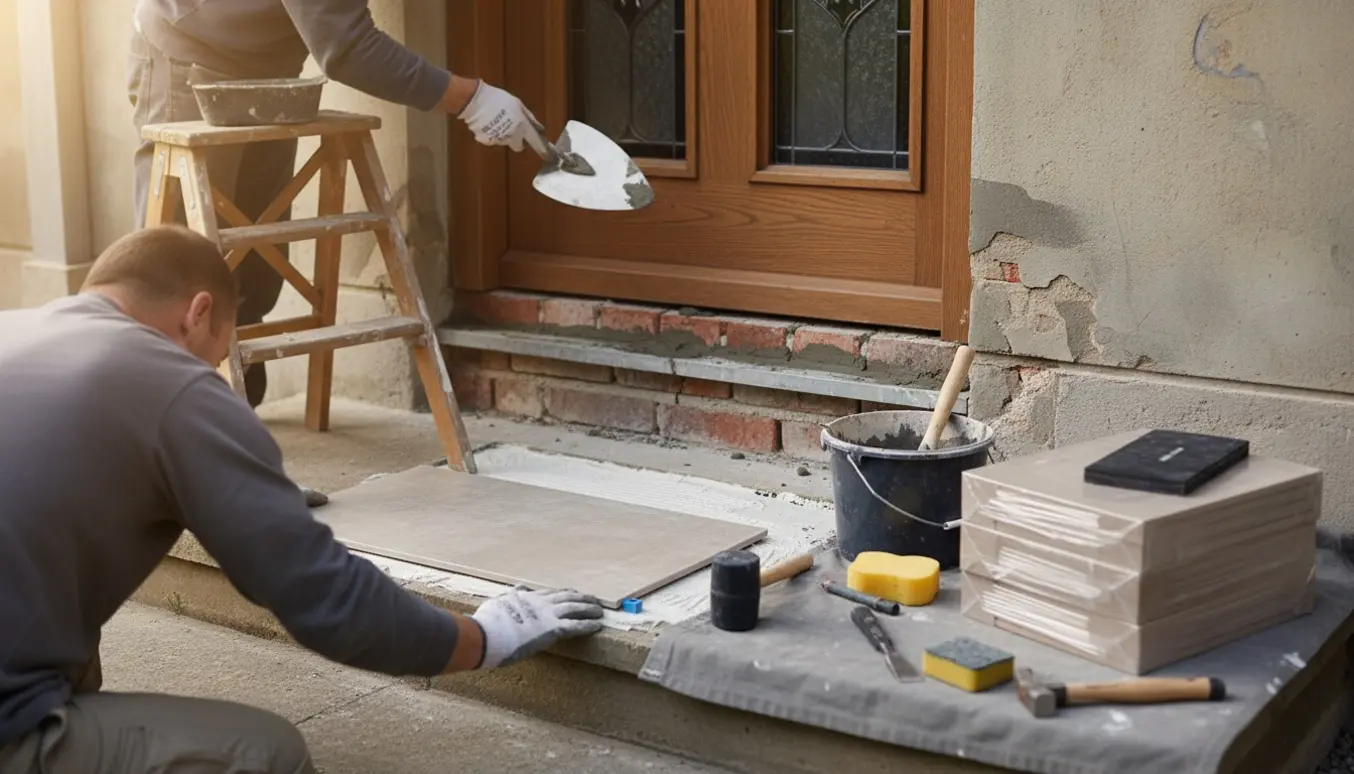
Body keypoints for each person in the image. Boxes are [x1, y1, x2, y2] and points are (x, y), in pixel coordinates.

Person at [0, 226, 604, 774]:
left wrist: (239, 486)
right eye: (216, 356)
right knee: (267, 755)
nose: (212, 374)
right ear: (199, 311)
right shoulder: (171, 383)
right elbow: (325, 599)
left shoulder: (17, 330)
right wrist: (484, 636)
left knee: (66, 645)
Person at [127, 0, 546, 470]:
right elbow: (346, 48)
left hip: (271, 67)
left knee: (255, 271)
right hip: (189, 53)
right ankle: (177, 466)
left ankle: (230, 449)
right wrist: (471, 98)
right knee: (181, 282)